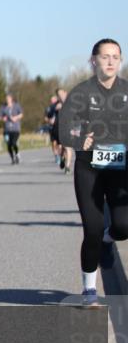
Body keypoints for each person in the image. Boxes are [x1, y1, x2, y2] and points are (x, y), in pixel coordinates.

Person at [57, 38, 128, 307]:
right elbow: (61, 129)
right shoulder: (81, 93)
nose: (110, 61)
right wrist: (77, 141)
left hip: (120, 169)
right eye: (105, 56)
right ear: (93, 60)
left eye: (115, 57)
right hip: (89, 170)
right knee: (93, 229)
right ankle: (89, 289)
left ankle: (110, 239)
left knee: (122, 226)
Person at [0, 94, 24, 165]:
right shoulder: (3, 107)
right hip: (7, 130)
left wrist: (16, 117)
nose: (7, 100)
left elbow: (21, 114)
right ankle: (13, 158)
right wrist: (2, 118)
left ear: (11, 99)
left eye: (9, 99)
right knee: (9, 145)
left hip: (15, 129)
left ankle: (17, 154)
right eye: (6, 99)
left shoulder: (16, 106)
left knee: (14, 143)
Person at [46, 92, 61, 165]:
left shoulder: (60, 106)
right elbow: (45, 118)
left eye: (53, 100)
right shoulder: (49, 108)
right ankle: (56, 156)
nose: (52, 101)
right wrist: (49, 120)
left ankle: (60, 155)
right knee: (53, 143)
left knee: (59, 144)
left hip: (58, 127)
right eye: (51, 100)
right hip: (51, 127)